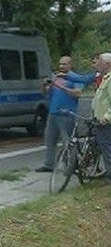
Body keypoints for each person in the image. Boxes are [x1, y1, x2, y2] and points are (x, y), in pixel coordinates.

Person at [35, 55, 96, 172]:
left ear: (70, 65)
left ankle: (71, 165)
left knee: (67, 141)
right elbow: (46, 93)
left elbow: (78, 93)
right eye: (60, 64)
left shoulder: (74, 78)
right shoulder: (55, 77)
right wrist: (45, 85)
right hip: (53, 113)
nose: (62, 66)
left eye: (64, 64)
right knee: (49, 139)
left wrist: (62, 87)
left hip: (67, 114)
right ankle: (48, 164)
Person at [90, 52, 111, 184]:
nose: (97, 65)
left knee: (107, 150)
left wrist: (107, 117)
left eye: (100, 62)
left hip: (106, 123)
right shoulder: (104, 78)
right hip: (100, 120)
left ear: (108, 64)